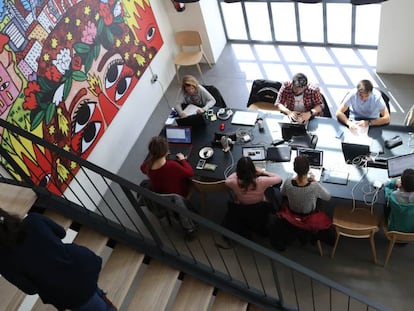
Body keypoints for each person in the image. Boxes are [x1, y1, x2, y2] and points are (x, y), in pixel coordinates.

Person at [0, 208, 117, 311]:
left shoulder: (3, 260)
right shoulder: (33, 220)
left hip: (66, 291)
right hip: (80, 265)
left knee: (92, 303)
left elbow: (30, 289)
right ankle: (101, 297)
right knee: (90, 290)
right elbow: (61, 232)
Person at [270, 155, 333, 250]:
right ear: (308, 169)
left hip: (292, 214)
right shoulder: (314, 186)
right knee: (319, 200)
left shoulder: (288, 182)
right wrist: (315, 181)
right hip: (309, 216)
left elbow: (283, 193)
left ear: (294, 169)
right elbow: (328, 197)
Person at [223, 156, 282, 238]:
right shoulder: (261, 181)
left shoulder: (233, 182)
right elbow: (279, 178)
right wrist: (262, 171)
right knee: (273, 190)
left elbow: (226, 181)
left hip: (242, 206)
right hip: (260, 205)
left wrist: (237, 173)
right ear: (253, 170)